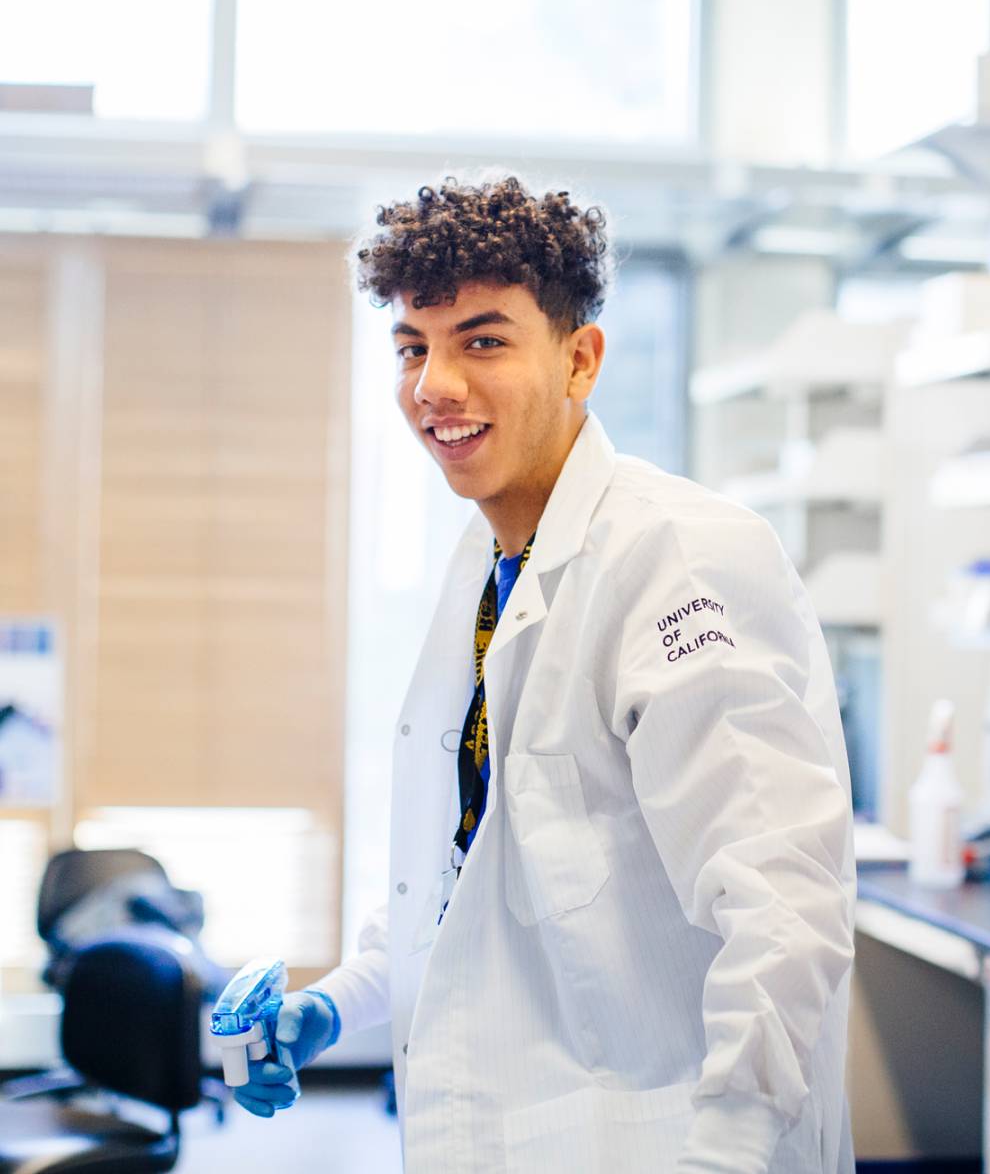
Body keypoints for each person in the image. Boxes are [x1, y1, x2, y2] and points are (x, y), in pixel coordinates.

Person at [234, 177, 857, 1173]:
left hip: (669, 1143)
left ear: (580, 359)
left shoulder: (679, 562)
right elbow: (472, 869)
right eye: (412, 347)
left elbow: (784, 912)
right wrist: (335, 1005)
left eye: (481, 340)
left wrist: (731, 1148)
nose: (434, 384)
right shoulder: (489, 569)